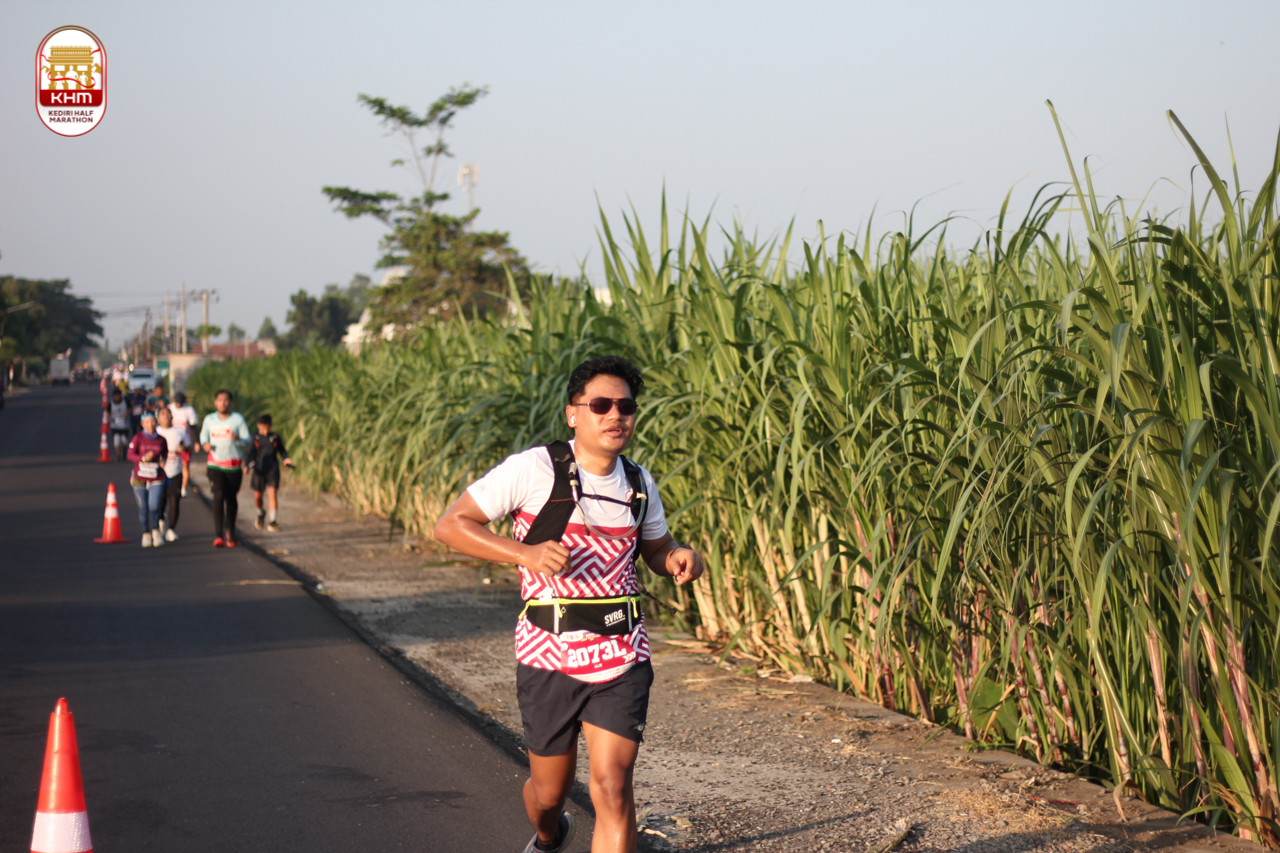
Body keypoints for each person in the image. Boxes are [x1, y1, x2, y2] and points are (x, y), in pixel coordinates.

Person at [434, 356, 704, 853]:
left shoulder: (639, 483)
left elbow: (656, 548)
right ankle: (549, 835)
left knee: (613, 787)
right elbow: (451, 525)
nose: (615, 415)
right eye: (600, 405)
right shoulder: (534, 469)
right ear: (573, 414)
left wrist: (678, 557)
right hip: (548, 656)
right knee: (548, 794)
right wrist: (525, 554)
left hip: (622, 654)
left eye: (626, 406)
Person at [199, 389, 250, 548]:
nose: (223, 403)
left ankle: (231, 532)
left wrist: (238, 439)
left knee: (231, 498)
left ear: (231, 403)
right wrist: (205, 444)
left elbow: (247, 440)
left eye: (226, 400)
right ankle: (219, 535)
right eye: (220, 400)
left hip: (233, 465)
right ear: (215, 402)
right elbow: (203, 437)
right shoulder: (209, 419)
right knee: (218, 495)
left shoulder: (237, 419)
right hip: (215, 464)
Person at [127, 410, 168, 548]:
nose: (150, 425)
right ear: (142, 424)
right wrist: (143, 458)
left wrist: (163, 461)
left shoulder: (161, 440)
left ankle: (156, 530)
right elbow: (130, 455)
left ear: (156, 422)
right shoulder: (138, 438)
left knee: (154, 505)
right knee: (143, 507)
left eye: (152, 421)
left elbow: (165, 453)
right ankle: (146, 533)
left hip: (156, 476)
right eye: (147, 422)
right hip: (139, 477)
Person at [249, 414, 293, 532]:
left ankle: (272, 521)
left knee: (273, 494)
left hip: (272, 470)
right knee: (258, 497)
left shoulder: (275, 437)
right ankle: (260, 513)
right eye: (262, 428)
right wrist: (247, 465)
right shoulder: (255, 438)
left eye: (267, 428)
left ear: (270, 426)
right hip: (258, 470)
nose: (265, 431)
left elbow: (282, 451)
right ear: (258, 426)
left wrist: (286, 459)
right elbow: (250, 453)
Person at [155, 406, 191, 542]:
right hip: (158, 473)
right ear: (158, 418)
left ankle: (171, 529)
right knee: (160, 501)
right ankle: (160, 522)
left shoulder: (180, 432)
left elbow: (188, 446)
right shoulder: (155, 432)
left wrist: (184, 448)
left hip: (175, 471)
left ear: (172, 416)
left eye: (168, 413)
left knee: (175, 500)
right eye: (162, 414)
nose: (165, 416)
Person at [169, 392, 200, 497]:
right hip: (172, 443)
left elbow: (193, 427)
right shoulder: (170, 409)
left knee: (185, 465)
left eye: (181, 403)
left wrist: (196, 442)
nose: (179, 405)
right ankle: (171, 486)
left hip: (186, 443)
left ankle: (183, 488)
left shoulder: (189, 410)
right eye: (177, 403)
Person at [108, 388, 131, 462]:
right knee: (116, 440)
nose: (117, 397)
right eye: (115, 396)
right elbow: (107, 411)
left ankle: (124, 452)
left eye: (118, 395)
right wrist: (110, 418)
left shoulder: (125, 401)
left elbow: (130, 408)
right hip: (115, 425)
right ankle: (118, 455)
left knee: (124, 441)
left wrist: (126, 413)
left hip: (124, 425)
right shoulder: (111, 403)